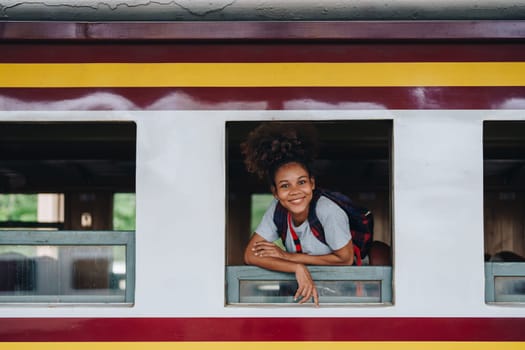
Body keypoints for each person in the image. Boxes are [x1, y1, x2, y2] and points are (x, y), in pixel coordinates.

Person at [241, 122, 358, 306]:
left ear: (312, 183)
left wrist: (288, 257)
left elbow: (345, 259)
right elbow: (250, 255)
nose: (295, 191)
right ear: (276, 193)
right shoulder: (277, 209)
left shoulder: (327, 210)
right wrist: (296, 267)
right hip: (307, 291)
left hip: (350, 290)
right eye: (285, 186)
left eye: (301, 182)